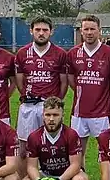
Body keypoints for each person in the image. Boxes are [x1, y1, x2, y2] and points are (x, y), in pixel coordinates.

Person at [19, 97, 89, 180]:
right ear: (43, 115)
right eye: (48, 115)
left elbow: (76, 165)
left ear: (62, 115)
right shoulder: (34, 137)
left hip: (67, 178)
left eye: (55, 115)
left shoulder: (71, 134)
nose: (51, 119)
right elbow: (31, 166)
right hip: (46, 175)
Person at [66, 14, 110, 169]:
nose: (89, 32)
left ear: (99, 31)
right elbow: (71, 79)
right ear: (81, 31)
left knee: (107, 152)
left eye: (93, 29)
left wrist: (101, 93)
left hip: (102, 113)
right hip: (79, 112)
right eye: (86, 29)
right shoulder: (73, 53)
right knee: (77, 152)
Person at [14, 15, 69, 146]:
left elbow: (64, 82)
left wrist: (55, 101)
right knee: (24, 147)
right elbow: (19, 81)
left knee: (52, 145)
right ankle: (27, 168)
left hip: (49, 106)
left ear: (51, 31)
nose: (41, 33)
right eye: (37, 29)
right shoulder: (22, 53)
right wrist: (27, 96)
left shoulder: (60, 54)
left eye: (45, 30)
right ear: (31, 31)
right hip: (28, 106)